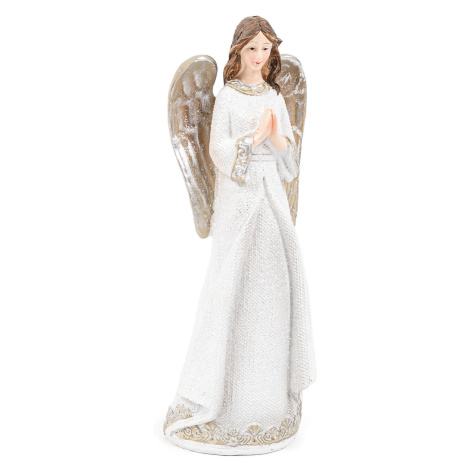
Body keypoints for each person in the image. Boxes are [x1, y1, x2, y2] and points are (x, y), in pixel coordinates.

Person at [163, 16, 316, 455]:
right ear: (239, 52)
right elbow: (218, 151)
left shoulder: (275, 96)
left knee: (273, 289)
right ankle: (223, 399)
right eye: (253, 49)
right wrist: (255, 138)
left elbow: (290, 160)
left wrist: (278, 140)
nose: (260, 57)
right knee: (234, 288)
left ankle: (267, 403)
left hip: (272, 201)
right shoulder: (228, 98)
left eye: (266, 49)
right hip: (239, 201)